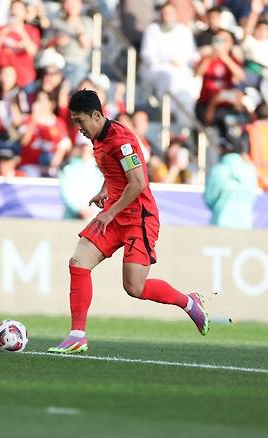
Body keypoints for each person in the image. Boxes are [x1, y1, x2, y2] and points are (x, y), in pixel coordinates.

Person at [47, 90, 209, 354]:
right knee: (78, 263)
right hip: (115, 212)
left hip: (139, 218)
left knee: (134, 287)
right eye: (75, 122)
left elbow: (138, 182)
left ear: (96, 115)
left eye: (80, 121)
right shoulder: (99, 136)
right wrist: (105, 190)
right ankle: (78, 335)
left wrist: (110, 212)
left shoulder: (121, 141)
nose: (78, 128)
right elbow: (115, 171)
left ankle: (188, 302)